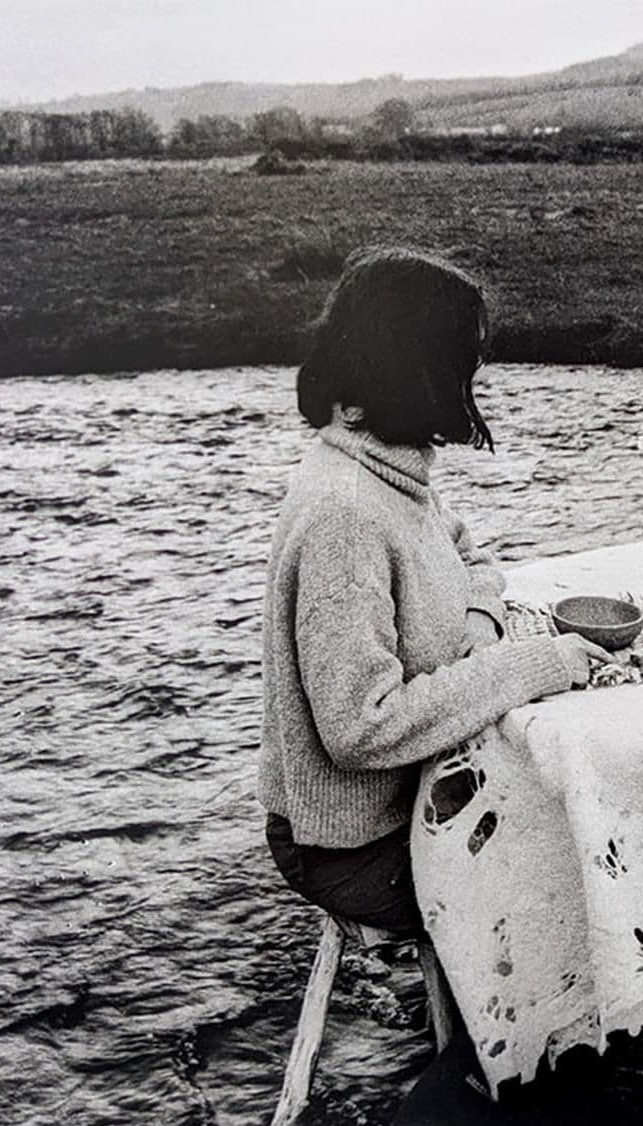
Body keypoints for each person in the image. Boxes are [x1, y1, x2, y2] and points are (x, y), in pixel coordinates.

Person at [256, 246, 610, 933]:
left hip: (416, 798)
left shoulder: (387, 467)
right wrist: (530, 666)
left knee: (589, 841)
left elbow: (470, 555)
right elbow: (360, 728)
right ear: (418, 367)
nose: (473, 378)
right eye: (463, 361)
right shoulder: (345, 515)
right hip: (352, 848)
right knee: (584, 890)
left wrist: (479, 622)